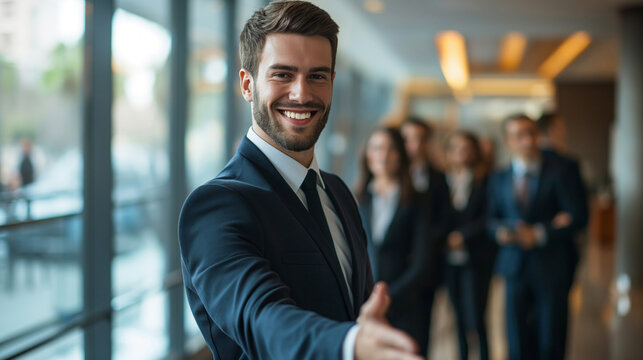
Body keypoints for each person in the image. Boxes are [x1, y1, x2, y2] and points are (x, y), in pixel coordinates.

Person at [178, 2, 423, 360]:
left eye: (317, 76)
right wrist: (350, 345)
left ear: (333, 83)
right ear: (247, 85)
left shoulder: (338, 192)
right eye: (282, 75)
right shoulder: (216, 206)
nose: (301, 94)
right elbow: (262, 318)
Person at [487, 114, 586, 360]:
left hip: (551, 266)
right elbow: (490, 220)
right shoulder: (498, 178)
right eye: (520, 135)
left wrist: (541, 233)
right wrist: (502, 232)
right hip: (514, 268)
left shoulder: (561, 171)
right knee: (517, 341)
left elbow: (578, 217)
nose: (529, 141)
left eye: (532, 133)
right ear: (507, 141)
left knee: (551, 341)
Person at [355, 127, 432, 356]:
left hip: (405, 303)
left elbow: (422, 261)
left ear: (401, 155)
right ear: (367, 155)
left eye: (391, 149)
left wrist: (389, 298)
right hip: (363, 305)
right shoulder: (357, 198)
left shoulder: (417, 200)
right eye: (377, 148)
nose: (383, 156)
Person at [442, 131, 495, 360]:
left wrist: (463, 235)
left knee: (477, 317)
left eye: (466, 148)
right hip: (448, 260)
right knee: (459, 317)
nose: (461, 153)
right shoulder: (443, 181)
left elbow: (489, 218)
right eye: (456, 148)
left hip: (476, 258)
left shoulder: (486, 181)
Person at [400, 116, 450, 353]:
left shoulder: (439, 178)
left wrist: (422, 246)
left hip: (427, 268)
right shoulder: (391, 175)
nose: (415, 145)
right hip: (394, 268)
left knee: (422, 330)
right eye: (409, 139)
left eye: (420, 139)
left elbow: (444, 220)